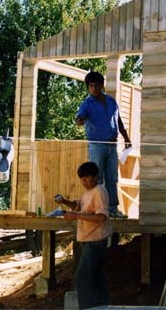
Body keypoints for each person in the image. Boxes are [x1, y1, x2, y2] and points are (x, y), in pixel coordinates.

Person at [55, 162, 113, 309]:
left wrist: (76, 216)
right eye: (82, 179)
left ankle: (88, 308)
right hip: (88, 240)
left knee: (83, 278)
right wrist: (65, 201)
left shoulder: (99, 191)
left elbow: (101, 218)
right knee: (96, 278)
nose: (84, 182)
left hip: (95, 241)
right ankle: (102, 307)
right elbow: (80, 206)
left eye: (87, 179)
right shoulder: (88, 191)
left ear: (96, 177)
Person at [76, 71, 131, 219]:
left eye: (96, 85)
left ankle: (113, 209)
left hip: (112, 145)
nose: (93, 88)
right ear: (88, 87)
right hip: (97, 146)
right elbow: (80, 118)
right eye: (90, 86)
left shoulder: (111, 101)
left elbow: (118, 120)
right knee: (96, 179)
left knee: (112, 178)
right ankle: (96, 209)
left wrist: (126, 137)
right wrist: (80, 120)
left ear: (102, 86)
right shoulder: (86, 104)